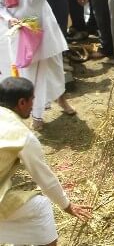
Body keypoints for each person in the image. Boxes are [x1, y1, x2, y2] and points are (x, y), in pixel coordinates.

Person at [0, 77, 92, 245]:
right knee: (41, 206)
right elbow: (44, 179)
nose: (34, 104)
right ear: (22, 102)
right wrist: (67, 205)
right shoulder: (23, 136)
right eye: (32, 99)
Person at [0, 0, 79, 130]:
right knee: (30, 72)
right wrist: (8, 18)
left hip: (43, 24)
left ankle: (61, 99)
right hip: (20, 29)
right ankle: (37, 115)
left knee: (54, 65)